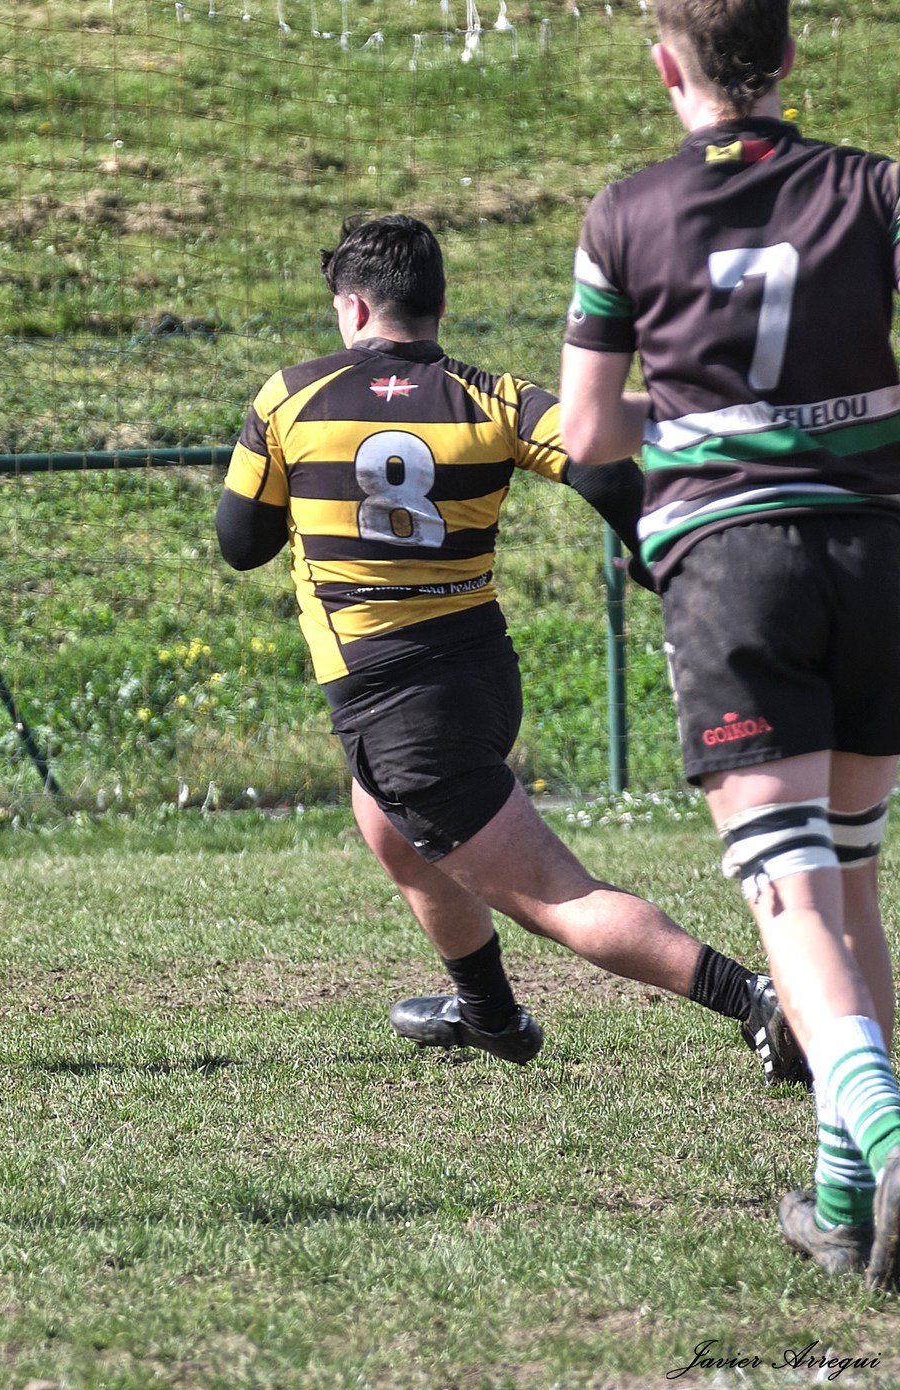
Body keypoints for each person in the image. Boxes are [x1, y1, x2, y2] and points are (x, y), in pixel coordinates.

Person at [216, 213, 799, 1086]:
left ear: (353, 307)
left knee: (558, 898)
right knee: (388, 823)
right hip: (478, 673)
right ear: (437, 305)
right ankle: (487, 1012)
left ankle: (758, 1003)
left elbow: (241, 542)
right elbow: (600, 460)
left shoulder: (291, 398)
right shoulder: (488, 397)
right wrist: (652, 552)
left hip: (393, 698)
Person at [559, 0, 900, 1286]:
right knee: (851, 875)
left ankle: (877, 1125)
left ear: (664, 65)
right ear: (790, 60)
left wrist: (712, 412)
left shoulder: (624, 214)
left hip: (731, 568)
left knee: (788, 887)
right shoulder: (874, 188)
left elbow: (588, 435)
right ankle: (839, 1192)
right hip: (871, 555)